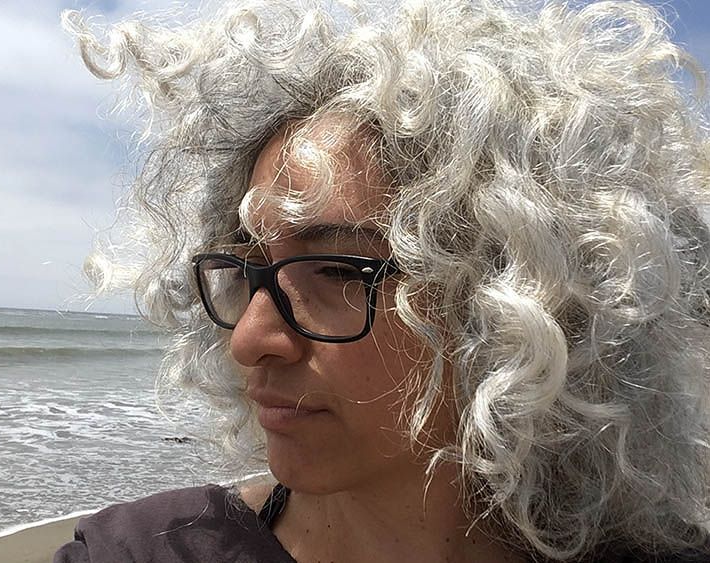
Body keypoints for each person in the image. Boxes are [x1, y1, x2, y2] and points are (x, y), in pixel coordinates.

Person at [55, 0, 710, 561]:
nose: (250, 337)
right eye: (247, 270)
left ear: (515, 299)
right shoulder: (146, 550)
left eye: (339, 269)